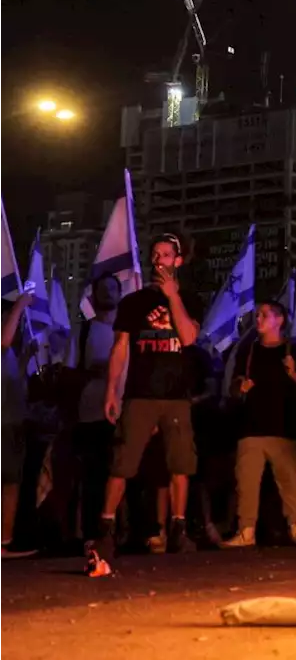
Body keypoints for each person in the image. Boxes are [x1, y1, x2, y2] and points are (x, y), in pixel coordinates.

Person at [93, 233, 203, 564]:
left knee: (180, 464)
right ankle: (106, 530)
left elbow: (188, 337)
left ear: (178, 261)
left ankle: (178, 530)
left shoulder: (191, 299)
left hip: (176, 397)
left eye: (167, 255)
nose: (159, 260)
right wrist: (111, 390)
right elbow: (120, 348)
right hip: (140, 395)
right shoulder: (133, 303)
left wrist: (173, 298)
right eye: (155, 254)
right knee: (122, 463)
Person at [221, 301, 296, 548]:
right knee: (246, 482)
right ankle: (246, 530)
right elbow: (232, 386)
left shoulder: (294, 350)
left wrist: (295, 375)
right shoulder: (248, 351)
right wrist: (240, 387)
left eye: (265, 315)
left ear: (280, 320)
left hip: (285, 428)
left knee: (290, 483)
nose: (258, 319)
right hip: (252, 427)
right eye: (257, 315)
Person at [72, 275, 122, 546]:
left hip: (124, 411)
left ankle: (124, 532)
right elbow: (72, 370)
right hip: (91, 413)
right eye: (103, 290)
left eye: (113, 289)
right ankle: (92, 535)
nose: (108, 294)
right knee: (94, 477)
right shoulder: (84, 331)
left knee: (122, 473)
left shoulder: (128, 330)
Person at [0, 291, 33, 557]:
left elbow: (14, 381)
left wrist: (25, 359)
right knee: (8, 482)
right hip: (3, 424)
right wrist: (21, 304)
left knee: (11, 482)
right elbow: (4, 339)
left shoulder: (8, 352)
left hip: (12, 421)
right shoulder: (3, 341)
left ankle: (4, 541)